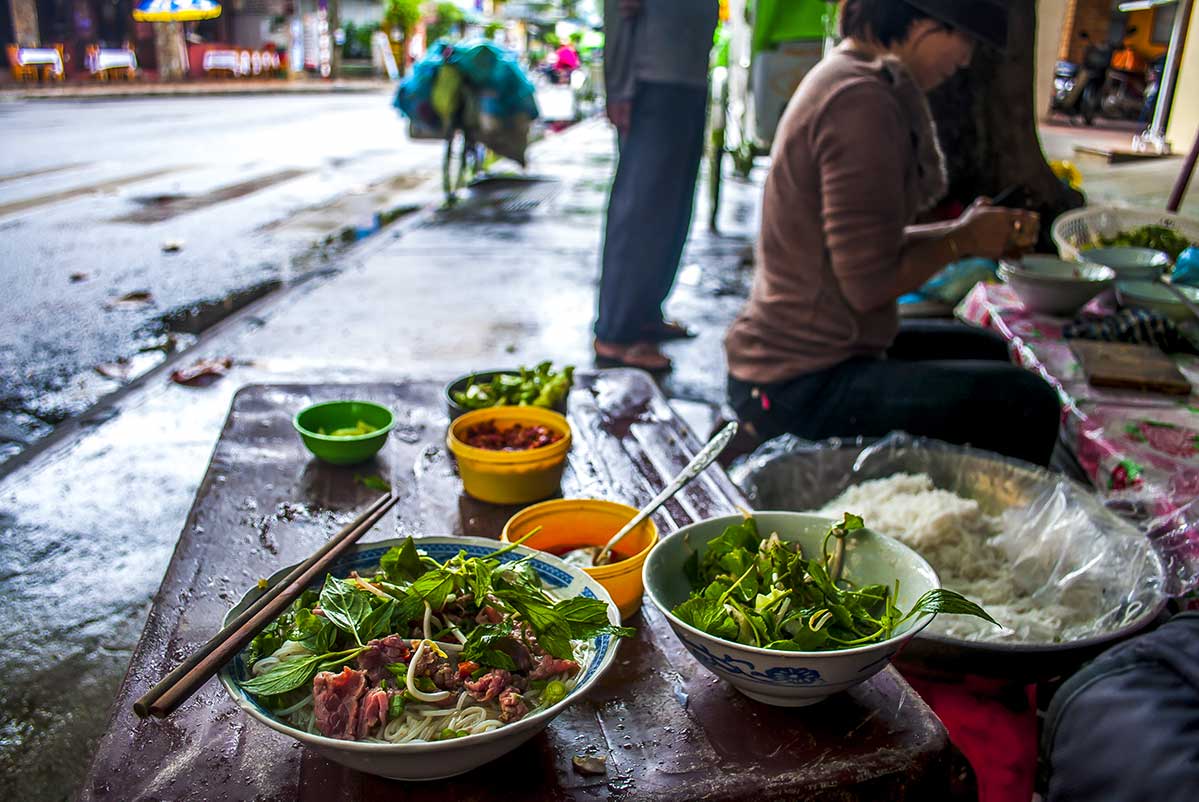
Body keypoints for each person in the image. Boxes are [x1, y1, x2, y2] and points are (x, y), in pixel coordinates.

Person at [724, 0, 1061, 466]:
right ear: (924, 27)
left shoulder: (852, 76)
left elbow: (871, 241)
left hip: (818, 348)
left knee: (988, 347)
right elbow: (869, 285)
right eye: (964, 43)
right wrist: (963, 242)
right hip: (796, 382)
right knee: (1028, 404)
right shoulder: (860, 102)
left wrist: (964, 232)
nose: (964, 61)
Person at [594, 0, 720, 371]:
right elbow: (619, 11)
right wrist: (618, 88)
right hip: (652, 81)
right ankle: (616, 334)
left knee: (673, 208)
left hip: (688, 76)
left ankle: (646, 313)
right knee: (641, 210)